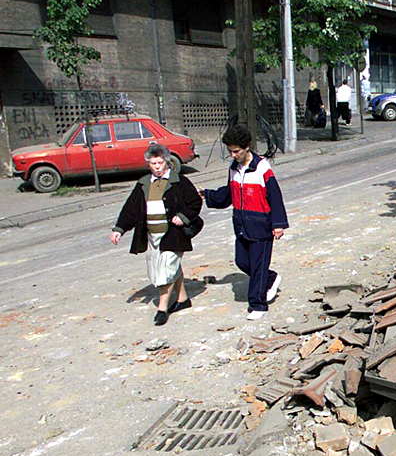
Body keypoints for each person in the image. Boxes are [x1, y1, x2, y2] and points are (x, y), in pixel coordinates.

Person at [200, 124, 288, 321]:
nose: (233, 155)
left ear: (247, 146)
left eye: (236, 151)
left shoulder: (262, 167)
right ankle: (271, 278)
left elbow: (275, 196)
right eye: (230, 151)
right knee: (242, 261)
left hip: (261, 225)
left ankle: (258, 305)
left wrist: (278, 224)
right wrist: (207, 195)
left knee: (257, 267)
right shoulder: (233, 169)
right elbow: (228, 194)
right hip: (241, 225)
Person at [111, 144, 202, 326]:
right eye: (153, 163)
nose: (157, 167)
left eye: (160, 162)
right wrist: (119, 229)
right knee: (165, 268)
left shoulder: (179, 181)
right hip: (153, 237)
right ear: (148, 164)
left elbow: (194, 201)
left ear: (166, 162)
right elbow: (131, 208)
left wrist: (182, 217)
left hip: (174, 235)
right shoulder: (144, 183)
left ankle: (162, 308)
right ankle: (183, 299)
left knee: (165, 270)